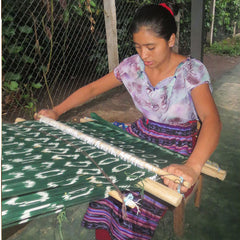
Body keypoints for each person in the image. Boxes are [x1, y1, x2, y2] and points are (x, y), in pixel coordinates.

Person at [36, 3, 221, 239]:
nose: (144, 55)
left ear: (171, 40)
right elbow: (93, 89)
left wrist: (192, 167)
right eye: (138, 46)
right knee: (105, 184)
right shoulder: (132, 67)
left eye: (151, 47)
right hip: (142, 134)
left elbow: (211, 119)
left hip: (177, 146)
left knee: (135, 202)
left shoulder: (191, 72)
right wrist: (56, 111)